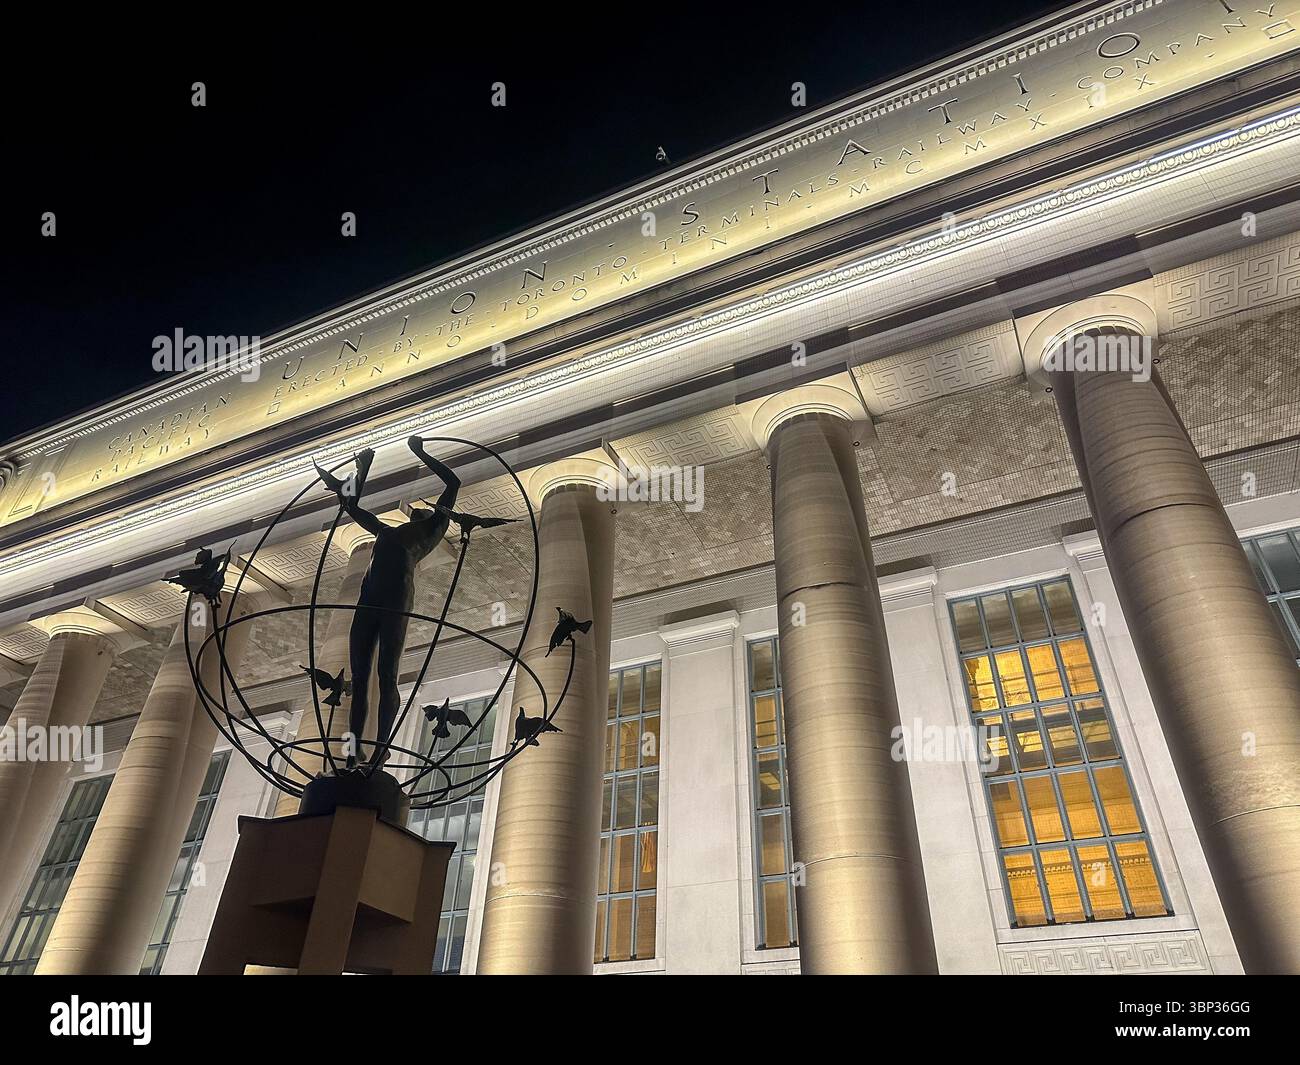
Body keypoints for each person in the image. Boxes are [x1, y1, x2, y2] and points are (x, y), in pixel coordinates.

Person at [315, 437, 459, 768]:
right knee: (360, 675)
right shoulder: (384, 531)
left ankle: (382, 748)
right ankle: (353, 751)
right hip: (368, 601)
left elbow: (453, 482)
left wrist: (421, 452)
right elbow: (350, 506)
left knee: (386, 673)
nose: (417, 510)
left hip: (396, 599)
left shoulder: (433, 529)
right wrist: (363, 469)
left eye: (422, 509)